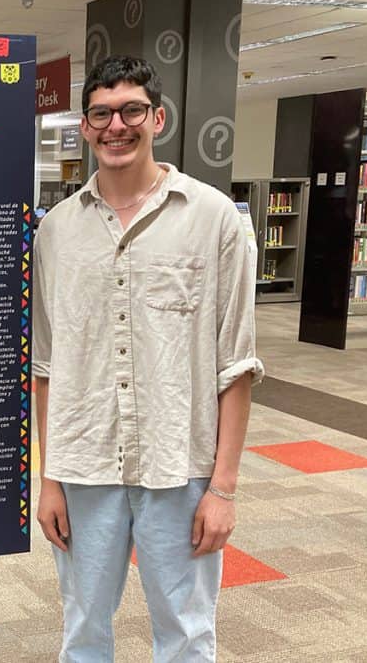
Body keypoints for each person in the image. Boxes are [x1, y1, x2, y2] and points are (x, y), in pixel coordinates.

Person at [32, 55, 264, 662]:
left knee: (187, 634)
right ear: (84, 126)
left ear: (157, 117)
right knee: (82, 629)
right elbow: (47, 366)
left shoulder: (215, 220)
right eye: (102, 114)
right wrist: (48, 478)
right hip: (84, 466)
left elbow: (236, 365)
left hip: (180, 467)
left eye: (132, 110)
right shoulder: (55, 232)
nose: (117, 126)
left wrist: (225, 489)